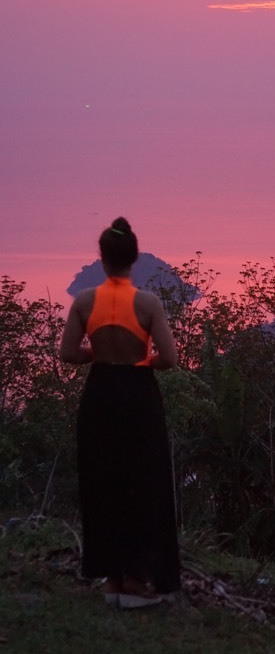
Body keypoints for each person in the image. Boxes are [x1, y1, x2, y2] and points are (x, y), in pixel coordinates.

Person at [60, 217, 181, 609]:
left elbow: (68, 354)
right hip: (137, 395)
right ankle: (135, 581)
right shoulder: (147, 303)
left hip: (99, 395)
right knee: (143, 483)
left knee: (102, 482)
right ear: (133, 259)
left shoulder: (84, 302)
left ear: (103, 258)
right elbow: (170, 359)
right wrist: (137, 358)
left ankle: (111, 579)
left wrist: (99, 352)